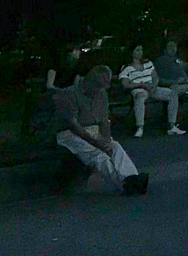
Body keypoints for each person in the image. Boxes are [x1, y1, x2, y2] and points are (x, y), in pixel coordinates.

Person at [54, 65, 147, 195]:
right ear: (89, 83)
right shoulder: (70, 94)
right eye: (98, 86)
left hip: (92, 130)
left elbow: (104, 120)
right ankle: (126, 183)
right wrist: (97, 143)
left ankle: (132, 177)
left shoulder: (101, 93)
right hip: (69, 134)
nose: (100, 91)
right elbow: (74, 126)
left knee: (115, 147)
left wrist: (106, 140)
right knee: (98, 155)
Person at [119, 44, 182, 137]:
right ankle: (140, 127)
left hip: (152, 87)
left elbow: (155, 77)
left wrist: (153, 86)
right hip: (139, 88)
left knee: (172, 94)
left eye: (141, 50)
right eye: (137, 50)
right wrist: (140, 84)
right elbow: (126, 84)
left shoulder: (148, 63)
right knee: (140, 96)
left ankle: (172, 126)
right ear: (131, 52)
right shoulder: (127, 68)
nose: (140, 52)